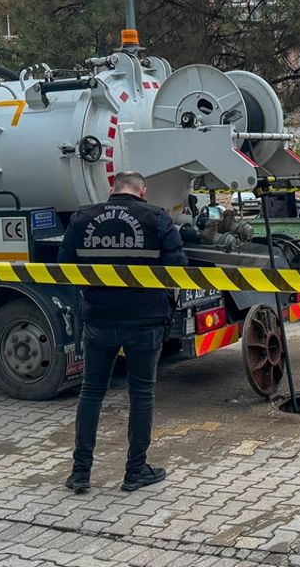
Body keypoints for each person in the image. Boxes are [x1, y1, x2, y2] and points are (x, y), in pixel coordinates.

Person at [58, 171, 187, 494]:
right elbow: (178, 268)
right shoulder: (156, 218)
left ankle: (80, 473)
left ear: (112, 188)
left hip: (99, 319)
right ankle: (135, 471)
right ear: (142, 192)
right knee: (141, 394)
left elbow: (64, 266)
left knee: (91, 393)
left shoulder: (83, 218)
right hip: (145, 321)